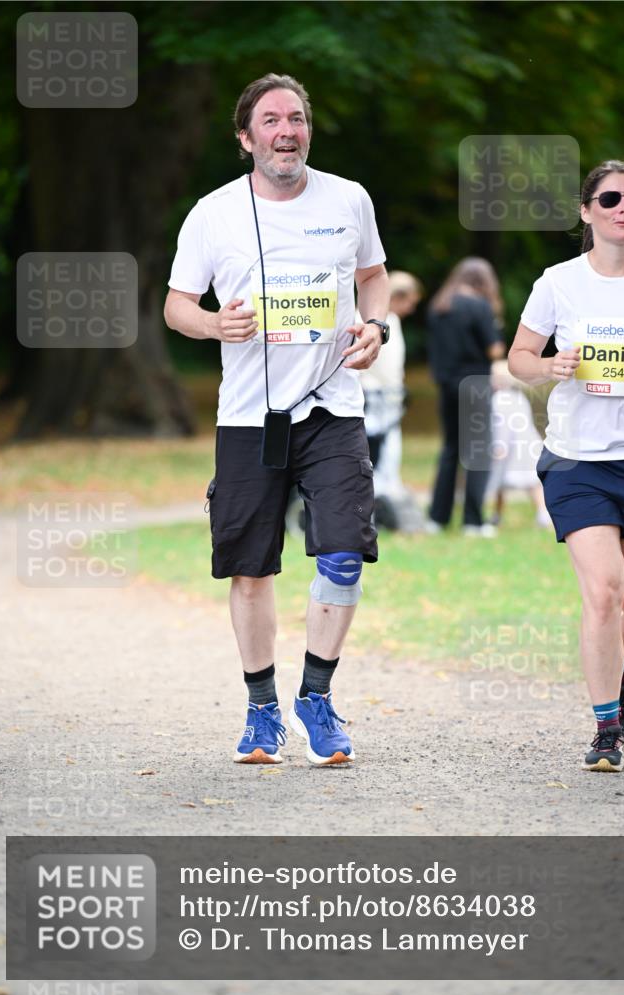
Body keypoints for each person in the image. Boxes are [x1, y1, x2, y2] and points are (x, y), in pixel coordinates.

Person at [164, 74, 389, 767]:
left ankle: (315, 698)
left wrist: (375, 324)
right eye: (269, 120)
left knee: (344, 552)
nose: (285, 131)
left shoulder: (347, 197)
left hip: (332, 407)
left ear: (307, 130)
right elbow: (177, 307)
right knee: (252, 569)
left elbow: (373, 276)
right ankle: (261, 710)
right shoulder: (212, 214)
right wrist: (212, 324)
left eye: (296, 118)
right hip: (248, 417)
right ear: (244, 137)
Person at [508, 159, 624, 773]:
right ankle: (604, 731)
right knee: (605, 592)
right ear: (586, 211)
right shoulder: (558, 283)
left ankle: (622, 677)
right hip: (577, 462)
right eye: (611, 198)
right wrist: (551, 367)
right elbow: (518, 357)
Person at [426, 258, 506, 536]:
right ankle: (473, 521)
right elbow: (494, 349)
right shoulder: (479, 307)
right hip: (475, 384)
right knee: (479, 452)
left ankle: (437, 517)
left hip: (446, 384)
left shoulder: (440, 306)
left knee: (450, 449)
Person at [361, 271, 424, 529]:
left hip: (389, 398)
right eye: (410, 301)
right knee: (375, 451)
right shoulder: (372, 321)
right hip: (374, 397)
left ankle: (384, 504)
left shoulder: (392, 322)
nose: (411, 308)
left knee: (388, 451)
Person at [486, 360, 552, 529]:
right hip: (529, 444)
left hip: (513, 447)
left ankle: (498, 515)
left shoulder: (499, 400)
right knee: (531, 482)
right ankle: (542, 514)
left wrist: (500, 446)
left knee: (505, 483)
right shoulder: (518, 397)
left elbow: (503, 426)